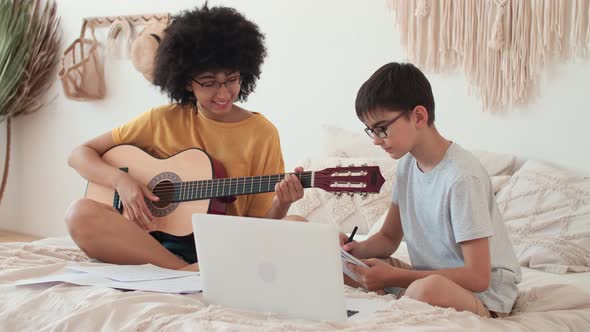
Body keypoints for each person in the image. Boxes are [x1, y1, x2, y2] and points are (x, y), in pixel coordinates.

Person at [65, 4, 304, 271]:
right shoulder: (161, 119)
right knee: (79, 213)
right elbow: (78, 155)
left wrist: (282, 204)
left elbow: (262, 226)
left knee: (297, 226)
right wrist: (121, 180)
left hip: (223, 245)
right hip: (147, 240)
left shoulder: (262, 133)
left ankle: (181, 270)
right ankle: (184, 271)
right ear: (188, 81)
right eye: (209, 82)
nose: (223, 93)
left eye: (231, 79)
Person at [341, 62, 521, 318]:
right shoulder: (407, 165)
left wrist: (396, 276)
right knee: (347, 270)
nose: (376, 140)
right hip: (426, 281)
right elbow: (389, 238)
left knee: (425, 290)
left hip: (482, 295)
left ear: (419, 116)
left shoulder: (461, 177)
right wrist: (353, 251)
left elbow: (478, 277)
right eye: (371, 130)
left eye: (381, 128)